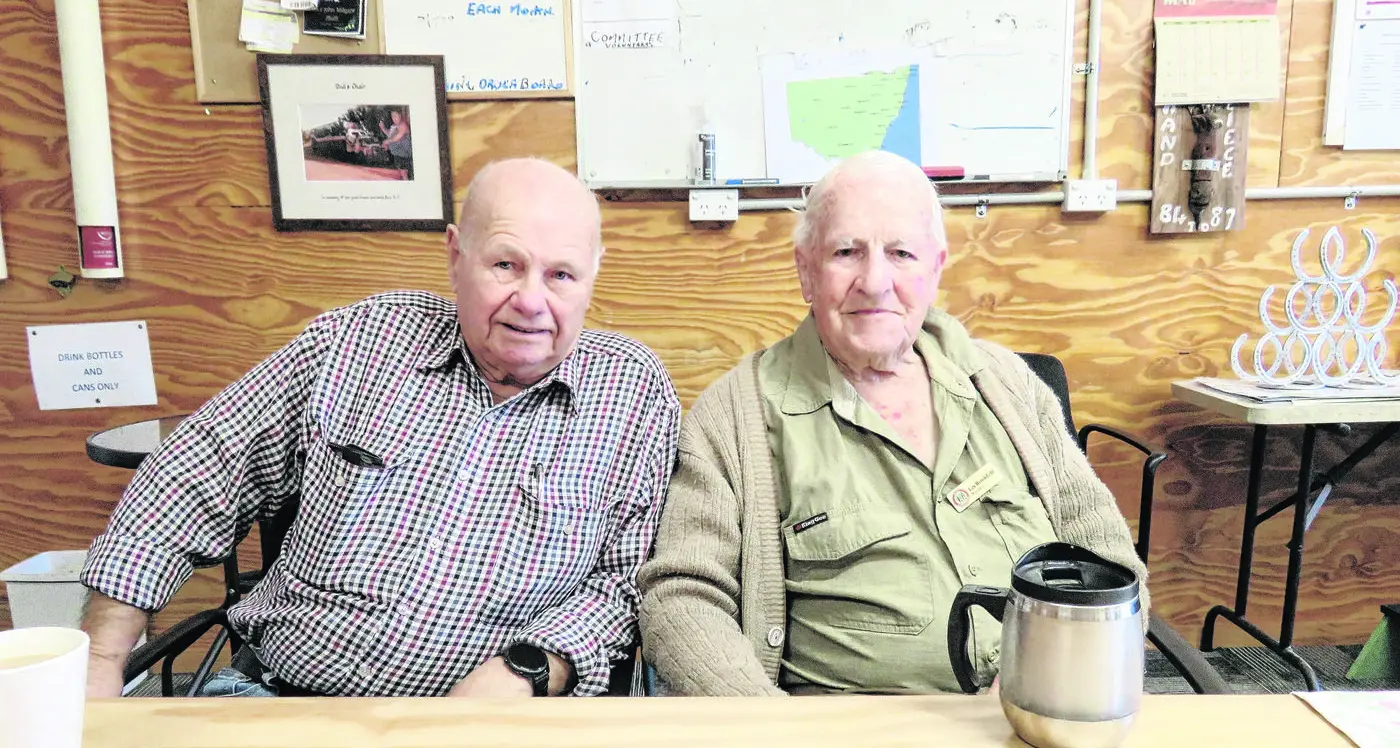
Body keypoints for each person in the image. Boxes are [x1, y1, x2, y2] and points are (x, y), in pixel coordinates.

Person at [80, 158, 681, 699]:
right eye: (506, 264)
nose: (531, 300)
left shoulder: (630, 390)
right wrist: (103, 659)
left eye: (561, 276)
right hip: (282, 699)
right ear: (454, 257)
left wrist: (526, 669)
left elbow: (625, 584)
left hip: (502, 722)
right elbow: (195, 471)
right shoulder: (361, 341)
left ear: (592, 278)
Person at [636, 150, 1148, 696]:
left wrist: (1065, 675)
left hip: (1039, 718)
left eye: (901, 253)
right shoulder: (734, 415)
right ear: (806, 270)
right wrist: (768, 725)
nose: (875, 281)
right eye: (846, 252)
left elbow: (1107, 559)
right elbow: (683, 597)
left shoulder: (1010, 385)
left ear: (936, 268)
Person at [379, 109, 413, 180]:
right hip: (398, 155)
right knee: (402, 173)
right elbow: (390, 135)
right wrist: (383, 128)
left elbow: (398, 137)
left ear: (400, 116)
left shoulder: (402, 125)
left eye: (395, 116)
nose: (393, 118)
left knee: (405, 173)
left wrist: (386, 141)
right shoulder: (393, 126)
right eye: (392, 116)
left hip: (405, 155)